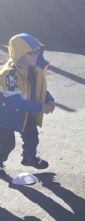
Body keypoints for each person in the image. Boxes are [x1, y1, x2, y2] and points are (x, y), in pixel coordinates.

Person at [0, 33, 55, 173]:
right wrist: (40, 107)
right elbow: (14, 102)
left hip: (24, 112)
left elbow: (39, 88)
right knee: (7, 144)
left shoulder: (34, 69)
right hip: (5, 114)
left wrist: (48, 99)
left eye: (37, 52)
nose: (35, 56)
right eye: (31, 53)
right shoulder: (9, 75)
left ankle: (29, 158)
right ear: (19, 54)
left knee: (32, 137)